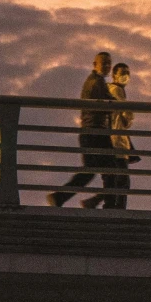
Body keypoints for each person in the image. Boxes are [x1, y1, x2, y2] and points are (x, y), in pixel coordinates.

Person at [48, 52, 116, 205]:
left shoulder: (96, 81)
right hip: (95, 132)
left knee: (99, 171)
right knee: (112, 170)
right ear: (95, 65)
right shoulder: (96, 82)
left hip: (92, 132)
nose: (107, 66)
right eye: (104, 63)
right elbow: (106, 105)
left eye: (109, 63)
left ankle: (64, 197)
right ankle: (97, 202)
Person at [84, 60, 140, 210]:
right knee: (122, 180)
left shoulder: (110, 90)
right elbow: (127, 114)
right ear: (114, 75)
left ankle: (98, 202)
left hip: (113, 140)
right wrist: (129, 117)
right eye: (123, 73)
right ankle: (116, 210)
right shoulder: (116, 90)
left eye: (128, 73)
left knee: (116, 178)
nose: (126, 76)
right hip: (118, 141)